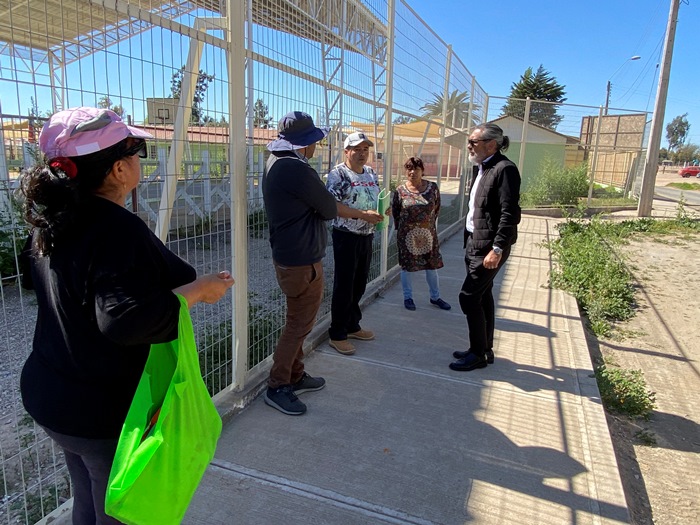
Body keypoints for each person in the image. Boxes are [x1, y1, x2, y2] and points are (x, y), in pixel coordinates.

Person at [18, 107, 234, 524]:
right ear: (118, 169)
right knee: (123, 514)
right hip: (100, 413)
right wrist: (197, 291)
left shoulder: (54, 221)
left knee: (89, 497)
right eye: (138, 153)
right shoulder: (115, 228)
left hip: (54, 395)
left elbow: (44, 286)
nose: (141, 162)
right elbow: (124, 320)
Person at [261, 111, 338, 416]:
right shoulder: (297, 170)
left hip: (292, 256)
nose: (317, 146)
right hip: (302, 261)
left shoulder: (275, 163)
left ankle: (294, 375)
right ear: (305, 144)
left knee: (298, 320)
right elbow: (329, 208)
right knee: (298, 325)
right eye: (315, 141)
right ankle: (278, 385)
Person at [450, 122, 521, 372]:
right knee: (483, 295)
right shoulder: (480, 168)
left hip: (489, 247)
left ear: (492, 144)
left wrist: (498, 249)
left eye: (474, 142)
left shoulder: (505, 169)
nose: (469, 145)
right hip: (474, 241)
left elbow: (509, 212)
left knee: (468, 297)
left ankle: (478, 354)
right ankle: (484, 349)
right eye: (469, 141)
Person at [325, 132, 384, 355]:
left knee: (359, 283)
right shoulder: (338, 174)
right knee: (344, 285)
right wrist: (362, 214)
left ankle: (352, 325)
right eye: (357, 149)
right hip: (346, 236)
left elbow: (374, 197)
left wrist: (381, 210)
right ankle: (337, 333)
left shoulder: (369, 172)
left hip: (366, 235)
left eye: (365, 149)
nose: (362, 154)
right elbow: (334, 206)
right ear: (346, 151)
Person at [392, 156, 451, 311]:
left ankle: (435, 297)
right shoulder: (400, 191)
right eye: (409, 169)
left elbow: (436, 209)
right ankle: (408, 298)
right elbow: (396, 212)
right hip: (407, 237)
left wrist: (426, 225)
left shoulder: (432, 188)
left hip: (428, 235)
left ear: (422, 171)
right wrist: (406, 229)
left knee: (431, 267)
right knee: (407, 267)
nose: (413, 172)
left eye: (416, 169)